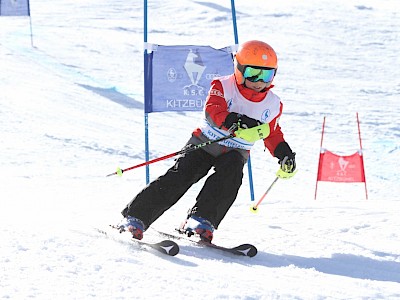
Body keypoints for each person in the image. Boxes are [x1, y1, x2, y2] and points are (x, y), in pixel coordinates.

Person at [118, 40, 296, 242]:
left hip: (235, 152)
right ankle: (136, 217)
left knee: (230, 179)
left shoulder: (273, 103)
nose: (259, 81)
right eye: (253, 73)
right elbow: (213, 111)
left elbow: (272, 133)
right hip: (204, 143)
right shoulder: (223, 85)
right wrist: (236, 121)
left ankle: (200, 221)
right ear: (239, 69)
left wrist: (284, 154)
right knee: (182, 176)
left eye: (267, 75)